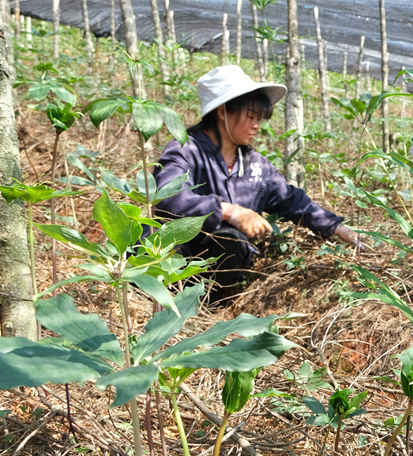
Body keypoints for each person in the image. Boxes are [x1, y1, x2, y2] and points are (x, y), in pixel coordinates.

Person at [154, 65, 363, 296]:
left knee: (232, 241)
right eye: (250, 117)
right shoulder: (186, 150)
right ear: (222, 112)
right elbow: (168, 197)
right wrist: (230, 211)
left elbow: (293, 201)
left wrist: (336, 228)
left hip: (223, 272)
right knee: (190, 241)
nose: (256, 126)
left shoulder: (255, 165)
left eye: (259, 119)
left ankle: (213, 302)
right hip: (178, 261)